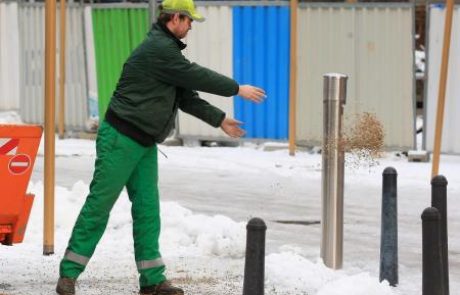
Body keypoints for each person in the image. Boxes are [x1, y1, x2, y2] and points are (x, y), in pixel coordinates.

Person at [55, 0, 266, 294]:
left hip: (143, 143)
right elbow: (196, 75)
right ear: (175, 19)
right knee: (99, 206)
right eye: (189, 20)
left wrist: (220, 120)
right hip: (121, 138)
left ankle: (152, 280)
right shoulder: (159, 50)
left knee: (147, 211)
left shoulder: (168, 54)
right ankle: (68, 274)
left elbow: (186, 96)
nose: (191, 25)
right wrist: (236, 88)